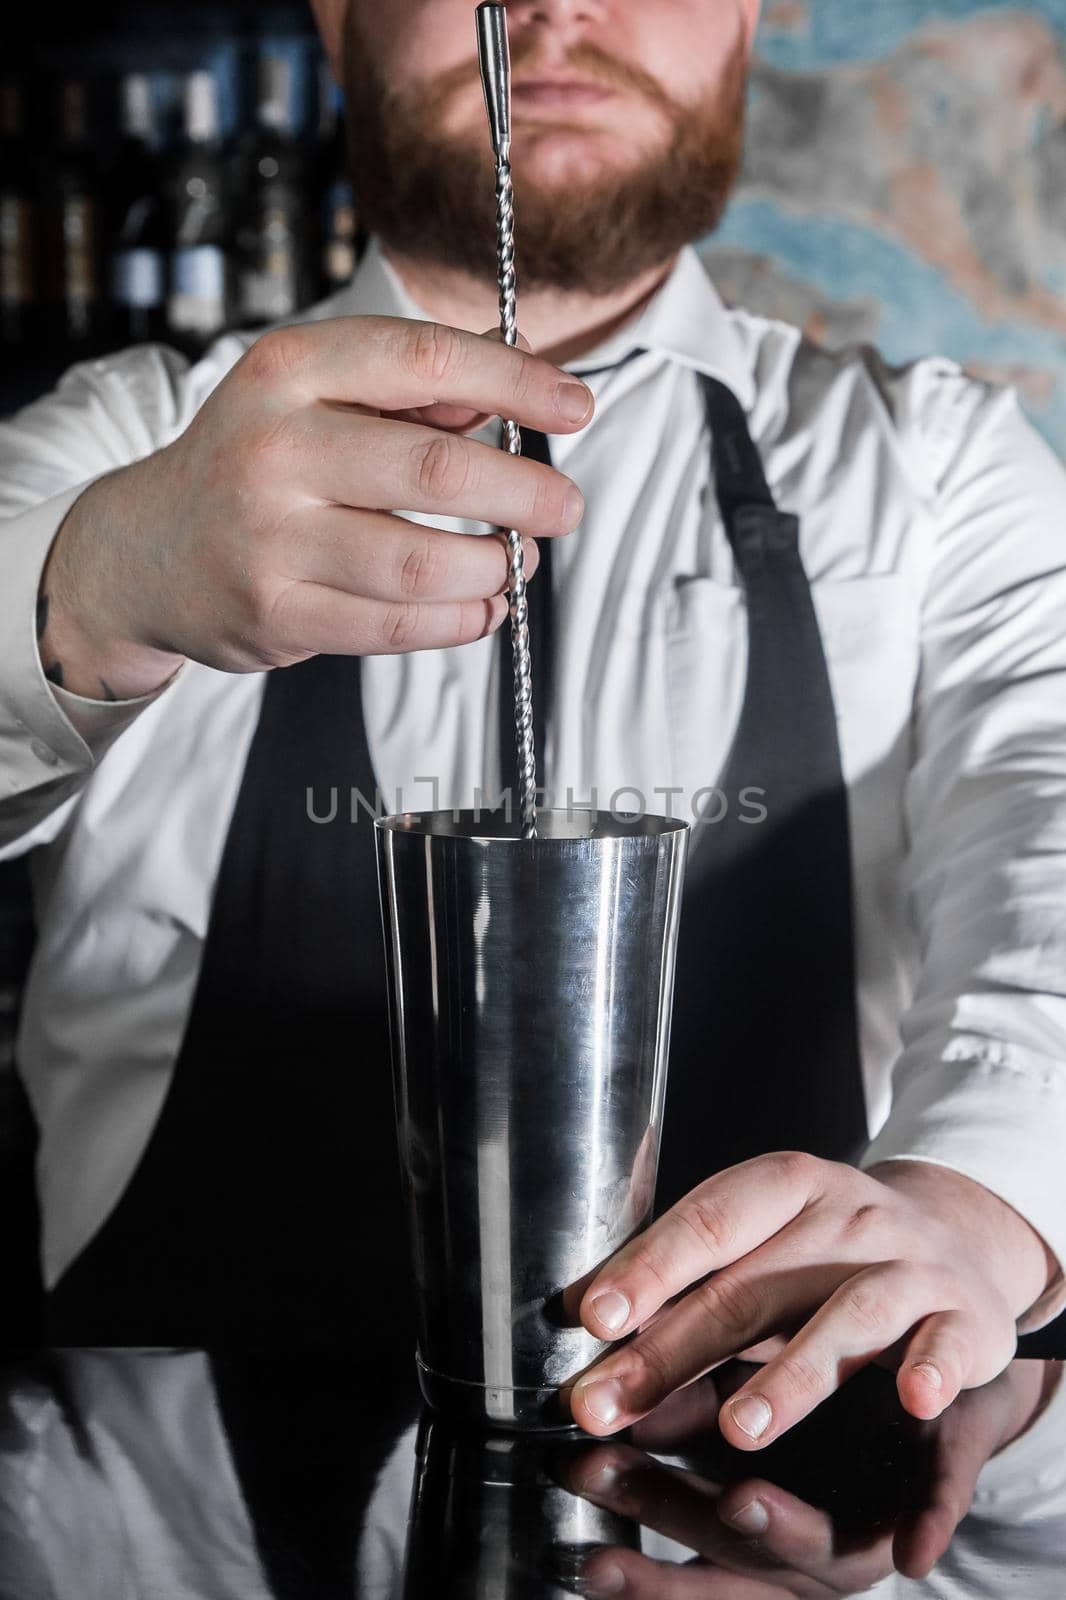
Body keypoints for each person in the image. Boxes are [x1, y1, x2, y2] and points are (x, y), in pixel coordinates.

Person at [1, 0, 1065, 1467]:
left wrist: (979, 1195)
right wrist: (88, 586)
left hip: (790, 1508)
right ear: (335, 16)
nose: (557, 9)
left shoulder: (935, 473)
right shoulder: (121, 450)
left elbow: (1048, 842)